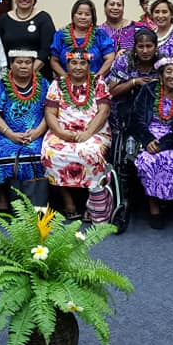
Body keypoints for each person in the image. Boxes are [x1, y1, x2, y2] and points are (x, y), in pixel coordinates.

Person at [41, 51, 111, 220]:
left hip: (94, 130)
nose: (78, 67)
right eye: (74, 63)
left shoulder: (98, 82)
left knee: (92, 152)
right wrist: (61, 132)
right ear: (67, 65)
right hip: (62, 130)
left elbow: (104, 111)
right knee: (51, 152)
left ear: (89, 65)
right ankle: (68, 201)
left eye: (82, 63)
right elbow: (50, 113)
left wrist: (88, 133)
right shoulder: (57, 84)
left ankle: (93, 202)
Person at [129, 56, 173, 229]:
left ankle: (165, 198)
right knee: (149, 160)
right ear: (160, 75)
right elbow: (136, 119)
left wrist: (163, 144)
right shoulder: (148, 91)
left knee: (169, 161)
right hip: (148, 136)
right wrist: (148, 140)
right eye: (169, 71)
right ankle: (154, 206)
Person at [0, 50, 49, 210]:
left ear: (33, 65)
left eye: (28, 62)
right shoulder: (2, 85)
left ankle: (34, 199)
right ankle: (2, 196)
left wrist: (36, 133)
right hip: (6, 133)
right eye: (19, 62)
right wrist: (10, 134)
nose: (23, 66)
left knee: (38, 153)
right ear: (11, 64)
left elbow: (50, 113)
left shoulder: (44, 84)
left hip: (36, 133)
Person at [0, 0, 56, 79]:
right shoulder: (4, 19)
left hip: (39, 76)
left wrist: (29, 73)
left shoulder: (43, 18)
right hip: (11, 77)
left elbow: (46, 49)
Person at [50, 0, 117, 81]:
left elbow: (110, 58)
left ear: (93, 17)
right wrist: (67, 80)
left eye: (87, 14)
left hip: (94, 86)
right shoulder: (61, 35)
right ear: (73, 15)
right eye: (79, 13)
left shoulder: (99, 34)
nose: (83, 17)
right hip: (66, 87)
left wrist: (96, 79)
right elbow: (54, 61)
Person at [108, 28, 160, 133]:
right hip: (124, 108)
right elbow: (112, 90)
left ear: (155, 47)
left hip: (155, 107)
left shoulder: (162, 61)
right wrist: (134, 82)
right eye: (140, 47)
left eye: (149, 46)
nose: (145, 51)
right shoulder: (124, 60)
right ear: (135, 48)